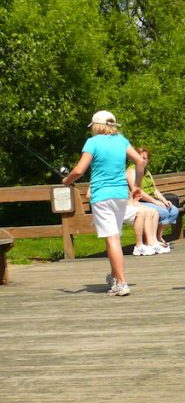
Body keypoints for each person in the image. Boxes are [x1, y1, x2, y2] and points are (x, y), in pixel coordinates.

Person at [62, 110, 146, 296]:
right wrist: (137, 186)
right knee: (113, 237)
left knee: (112, 238)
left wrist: (66, 180)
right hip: (119, 195)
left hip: (102, 196)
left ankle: (121, 283)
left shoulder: (92, 142)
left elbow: (79, 170)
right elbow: (140, 161)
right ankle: (115, 277)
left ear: (96, 126)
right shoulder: (121, 140)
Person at [131, 147, 179, 248]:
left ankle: (158, 237)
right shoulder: (131, 171)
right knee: (163, 212)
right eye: (140, 158)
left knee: (173, 210)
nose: (142, 160)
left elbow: (155, 189)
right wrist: (155, 202)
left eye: (145, 158)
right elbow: (138, 191)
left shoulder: (146, 172)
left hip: (151, 200)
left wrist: (164, 200)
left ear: (148, 160)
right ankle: (151, 240)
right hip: (139, 201)